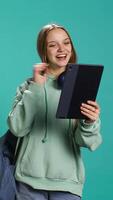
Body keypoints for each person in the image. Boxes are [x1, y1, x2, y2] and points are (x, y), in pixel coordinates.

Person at [7, 23, 102, 200]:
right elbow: (18, 128)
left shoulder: (80, 87)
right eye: (53, 45)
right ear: (43, 51)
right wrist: (36, 87)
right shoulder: (27, 87)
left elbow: (88, 142)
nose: (62, 49)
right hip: (27, 182)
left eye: (66, 43)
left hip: (67, 183)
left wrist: (90, 122)